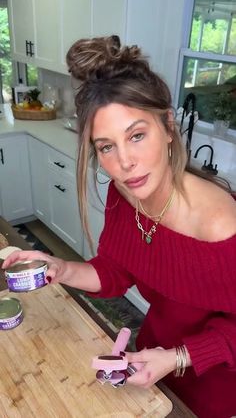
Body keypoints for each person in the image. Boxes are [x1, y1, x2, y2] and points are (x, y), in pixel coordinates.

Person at [3, 36, 236, 418]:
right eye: (106, 147)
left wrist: (177, 357)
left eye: (137, 135)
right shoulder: (125, 194)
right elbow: (116, 271)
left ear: (168, 125)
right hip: (151, 360)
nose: (125, 162)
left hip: (212, 385)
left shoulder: (219, 223)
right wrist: (59, 268)